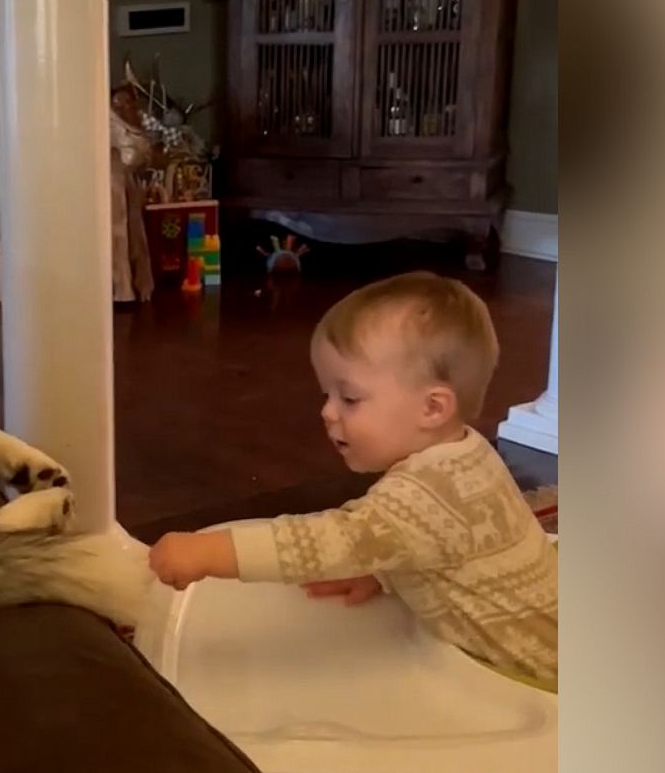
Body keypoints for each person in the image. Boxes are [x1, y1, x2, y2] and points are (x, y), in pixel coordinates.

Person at [148, 272, 558, 685]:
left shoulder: (421, 495)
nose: (328, 412)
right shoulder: (468, 453)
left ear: (432, 408)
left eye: (349, 398)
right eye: (327, 394)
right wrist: (383, 569)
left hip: (541, 671)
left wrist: (207, 552)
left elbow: (326, 542)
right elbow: (447, 545)